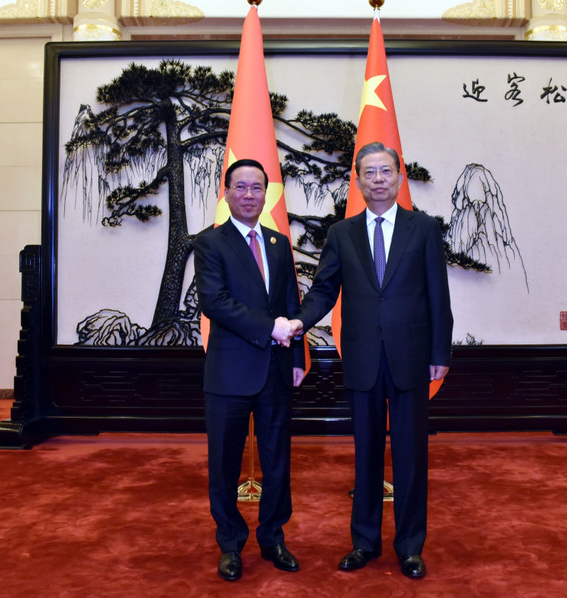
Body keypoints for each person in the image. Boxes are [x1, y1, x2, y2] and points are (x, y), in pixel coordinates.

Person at [288, 142, 453, 579]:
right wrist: (299, 322)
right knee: (366, 455)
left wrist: (440, 351)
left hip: (412, 356)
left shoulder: (424, 229)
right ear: (357, 181)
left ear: (400, 177)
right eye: (369, 173)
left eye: (386, 171)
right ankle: (364, 542)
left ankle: (410, 546)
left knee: (411, 454)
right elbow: (324, 290)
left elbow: (439, 294)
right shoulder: (343, 233)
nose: (378, 179)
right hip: (361, 357)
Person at [194, 158, 306, 582]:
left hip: (277, 371)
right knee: (224, 464)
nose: (248, 195)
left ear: (266, 194)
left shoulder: (278, 243)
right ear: (226, 193)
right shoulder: (211, 243)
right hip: (229, 374)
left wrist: (296, 357)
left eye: (256, 188)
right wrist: (270, 328)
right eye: (240, 187)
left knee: (278, 461)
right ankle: (230, 543)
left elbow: (290, 305)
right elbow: (215, 302)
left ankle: (274, 536)